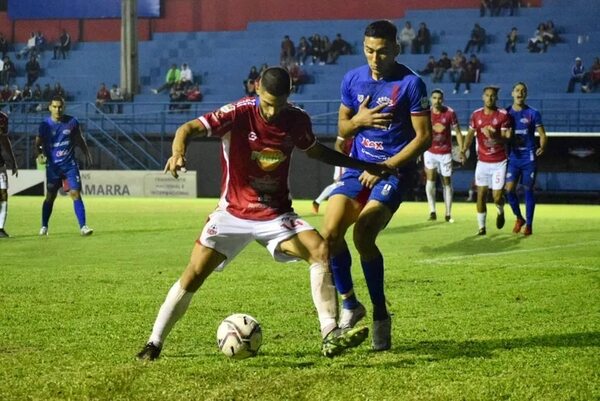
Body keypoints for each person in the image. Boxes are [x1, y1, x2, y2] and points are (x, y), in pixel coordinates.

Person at [136, 66, 394, 361]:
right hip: (232, 213)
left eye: (279, 104)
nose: (272, 111)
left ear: (289, 96)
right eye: (268, 103)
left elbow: (317, 152)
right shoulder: (238, 112)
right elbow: (188, 128)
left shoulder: (296, 119)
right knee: (193, 274)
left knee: (320, 248)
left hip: (276, 215)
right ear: (256, 89)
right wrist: (178, 152)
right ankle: (154, 343)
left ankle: (330, 334)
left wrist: (361, 165)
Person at [320, 20, 432, 351]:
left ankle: (382, 316)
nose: (375, 58)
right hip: (358, 169)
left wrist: (385, 167)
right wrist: (358, 122)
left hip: (393, 172)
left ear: (396, 49)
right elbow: (343, 125)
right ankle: (351, 304)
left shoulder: (411, 84)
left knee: (363, 234)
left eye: (382, 51)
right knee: (330, 234)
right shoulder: (352, 79)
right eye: (369, 50)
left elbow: (424, 137)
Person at [35, 96, 93, 236]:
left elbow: (79, 139)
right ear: (49, 108)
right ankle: (44, 226)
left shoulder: (72, 122)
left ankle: (83, 226)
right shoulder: (45, 125)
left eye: (60, 107)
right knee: (50, 196)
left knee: (75, 193)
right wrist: (39, 154)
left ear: (64, 107)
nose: (57, 109)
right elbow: (37, 142)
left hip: (69, 165)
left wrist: (86, 153)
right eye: (54, 107)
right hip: (53, 167)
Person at [461, 86, 512, 235]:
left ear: (496, 98)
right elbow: (470, 134)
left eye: (492, 96)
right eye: (487, 95)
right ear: (483, 97)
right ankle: (481, 228)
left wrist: (494, 135)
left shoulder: (503, 115)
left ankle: (500, 210)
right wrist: (464, 149)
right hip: (482, 162)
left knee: (496, 197)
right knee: (481, 195)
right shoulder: (476, 115)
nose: (489, 98)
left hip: (499, 162)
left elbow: (507, 138)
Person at [505, 82, 547, 236]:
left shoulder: (533, 113)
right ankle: (519, 218)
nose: (520, 93)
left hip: (529, 157)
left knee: (528, 189)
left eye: (523, 91)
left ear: (526, 94)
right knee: (508, 190)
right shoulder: (506, 113)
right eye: (517, 90)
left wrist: (542, 146)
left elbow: (542, 134)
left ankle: (529, 225)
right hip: (513, 158)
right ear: (512, 93)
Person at [424, 89, 464, 222]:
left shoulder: (450, 113)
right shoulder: (427, 113)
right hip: (429, 151)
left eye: (439, 98)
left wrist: (462, 150)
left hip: (445, 152)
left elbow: (458, 132)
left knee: (446, 182)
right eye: (434, 98)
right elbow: (421, 131)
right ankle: (432, 211)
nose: (437, 100)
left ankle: (448, 213)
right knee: (430, 179)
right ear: (431, 99)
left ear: (443, 99)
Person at [312, 138, 353, 214]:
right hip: (344, 161)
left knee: (347, 184)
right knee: (338, 184)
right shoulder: (345, 131)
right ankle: (317, 202)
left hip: (354, 162)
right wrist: (342, 157)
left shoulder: (360, 133)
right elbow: (337, 145)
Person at [0, 110, 18, 238]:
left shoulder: (3, 117)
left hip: (0, 165)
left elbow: (5, 140)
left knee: (3, 194)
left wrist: (13, 161)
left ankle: (0, 228)